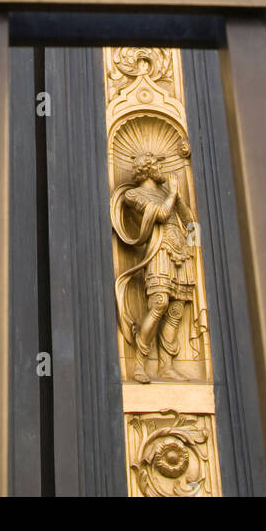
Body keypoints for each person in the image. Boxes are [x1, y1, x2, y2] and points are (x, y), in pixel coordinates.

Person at [110, 152, 198, 384]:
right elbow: (160, 214)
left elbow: (190, 222)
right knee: (159, 303)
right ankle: (140, 363)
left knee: (176, 310)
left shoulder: (167, 193)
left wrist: (177, 198)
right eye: (158, 164)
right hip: (159, 250)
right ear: (148, 167)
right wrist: (172, 194)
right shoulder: (133, 194)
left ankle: (166, 367)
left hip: (181, 250)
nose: (162, 168)